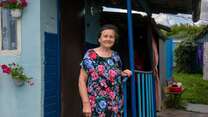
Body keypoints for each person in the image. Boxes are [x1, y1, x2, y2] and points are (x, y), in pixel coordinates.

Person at [78, 24, 132, 117]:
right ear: (99, 39)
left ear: (114, 40)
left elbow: (113, 73)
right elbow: (81, 80)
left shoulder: (116, 56)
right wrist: (86, 104)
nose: (108, 39)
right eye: (105, 36)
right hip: (95, 105)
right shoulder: (90, 54)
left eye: (111, 37)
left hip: (115, 105)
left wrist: (124, 73)